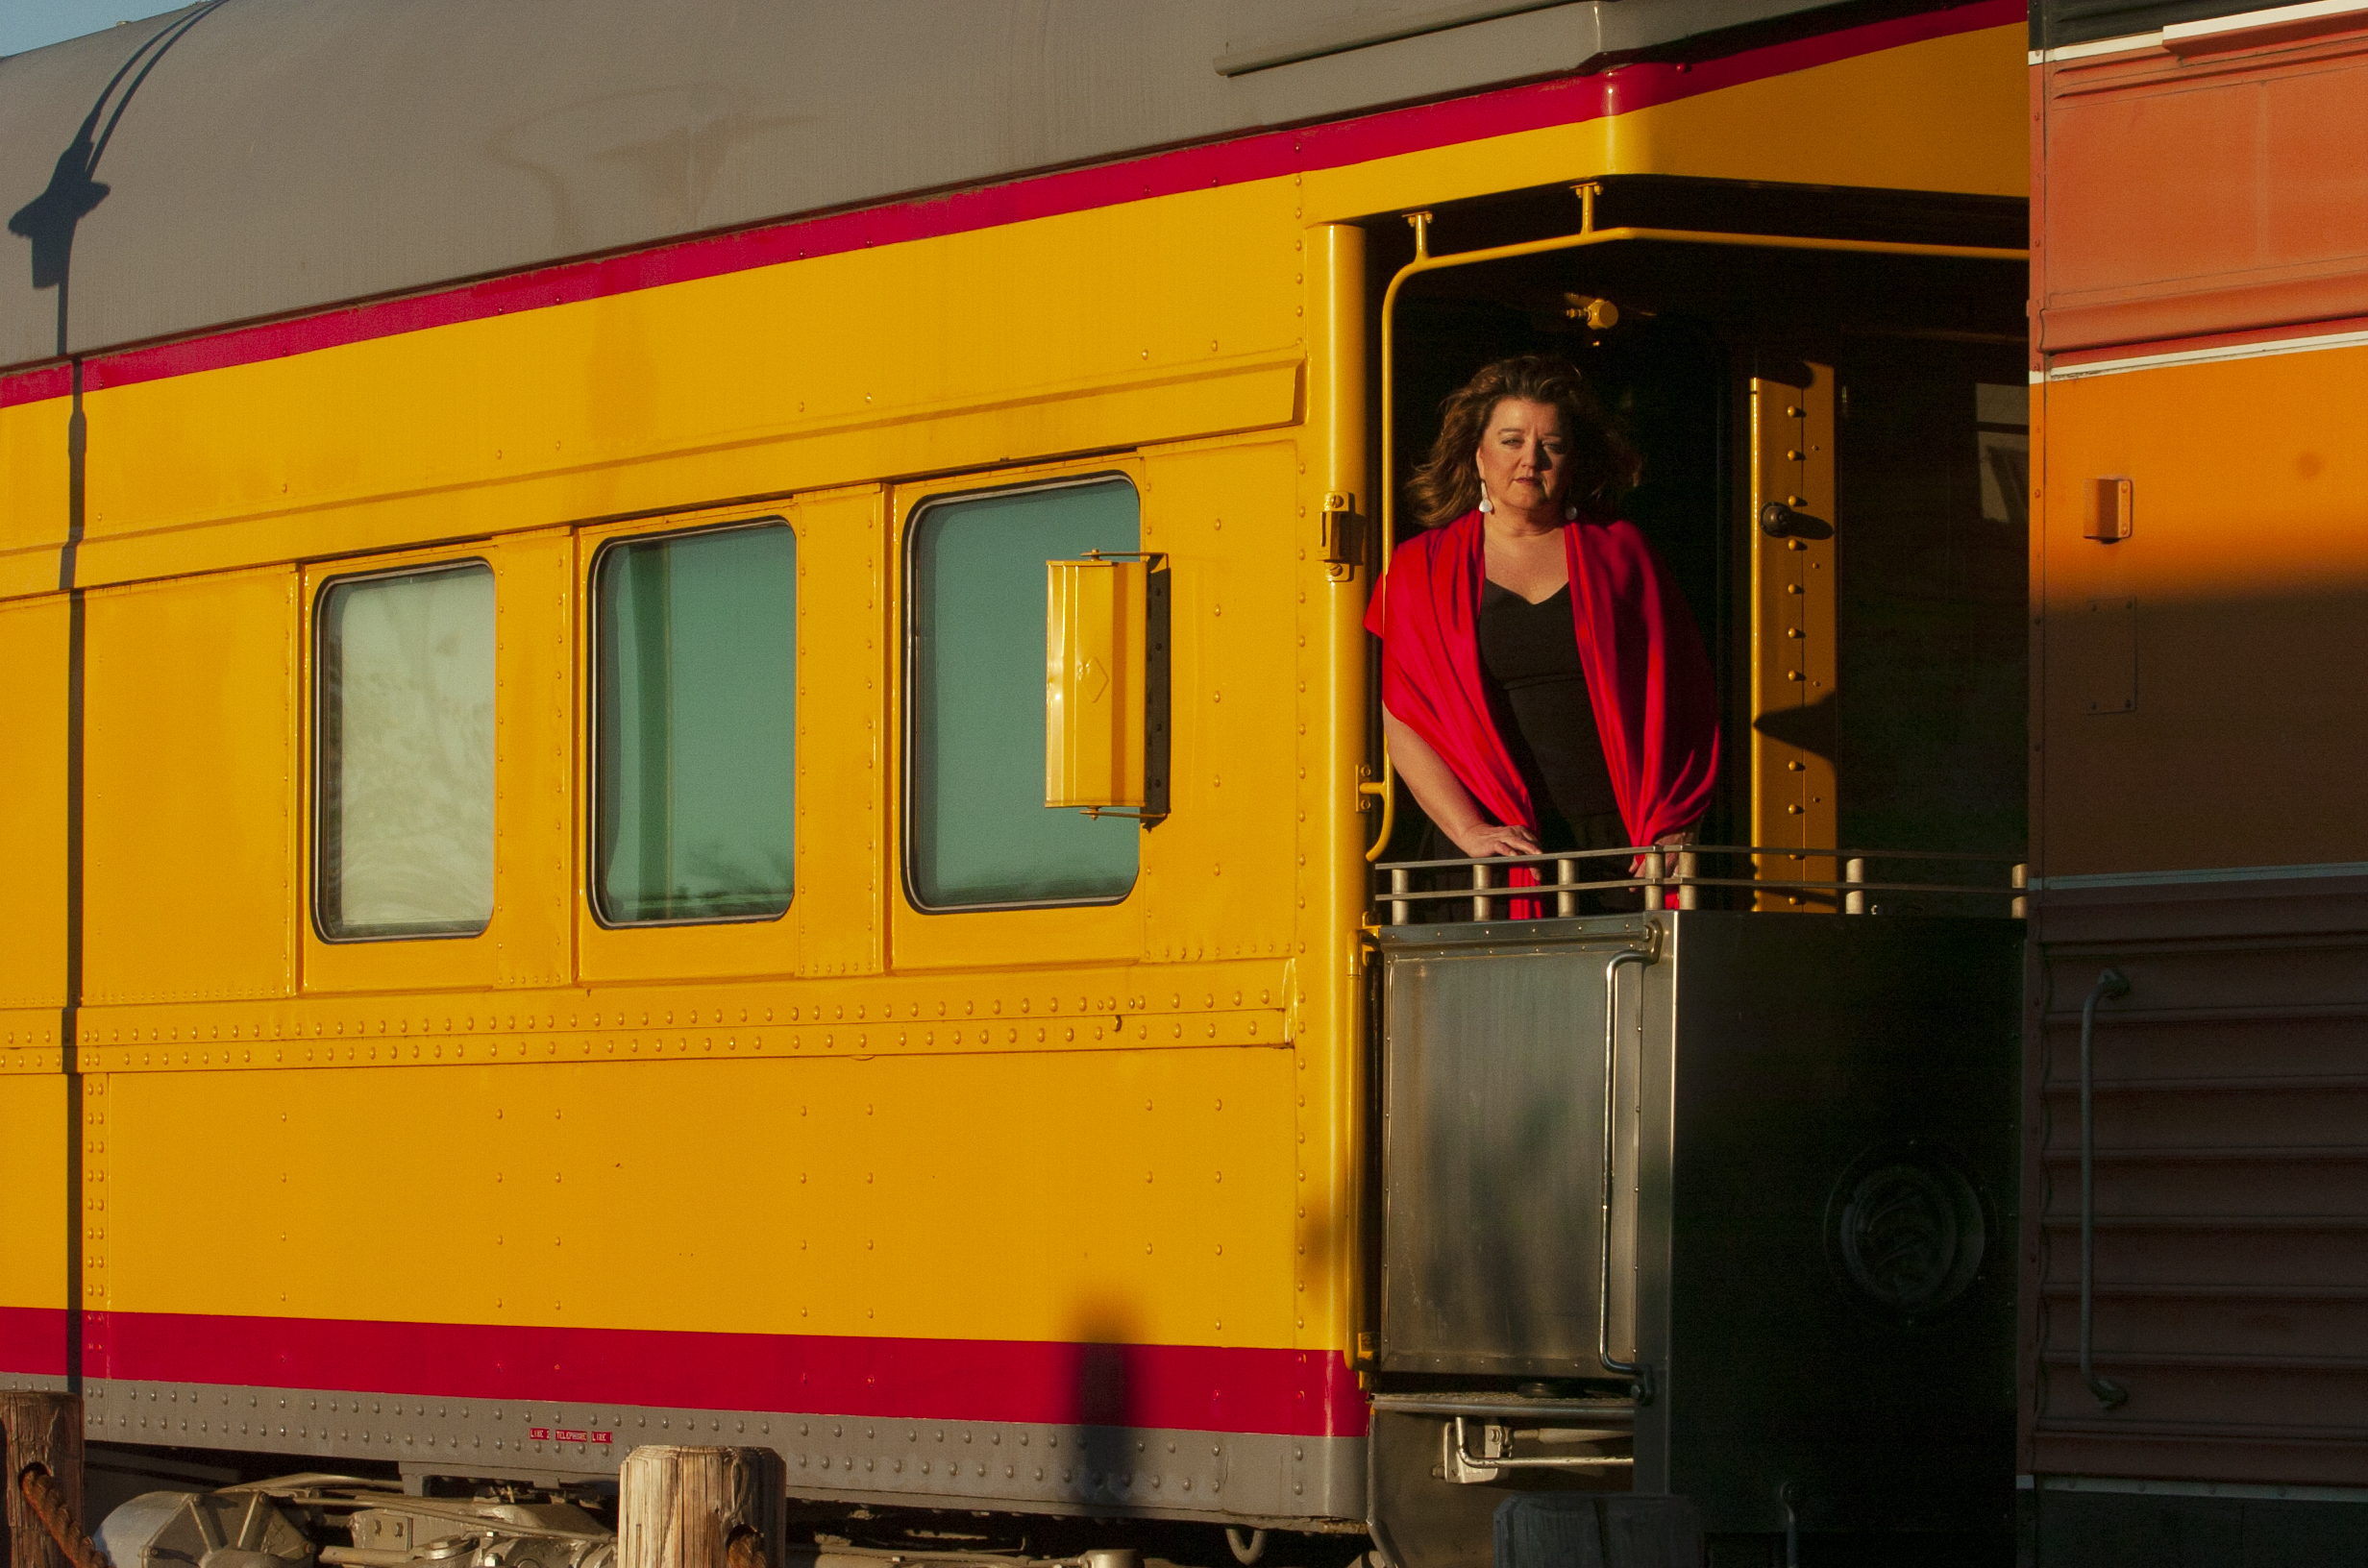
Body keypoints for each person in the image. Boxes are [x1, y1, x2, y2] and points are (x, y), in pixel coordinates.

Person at [1365, 355, 1720, 909]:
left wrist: (1677, 820)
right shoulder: (1419, 571)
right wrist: (1467, 832)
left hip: (1618, 851)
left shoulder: (1623, 553)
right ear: (1477, 455)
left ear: (1572, 460)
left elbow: (1684, 695)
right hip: (1489, 856)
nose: (1531, 459)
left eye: (1551, 444)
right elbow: (1402, 719)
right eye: (1511, 441)